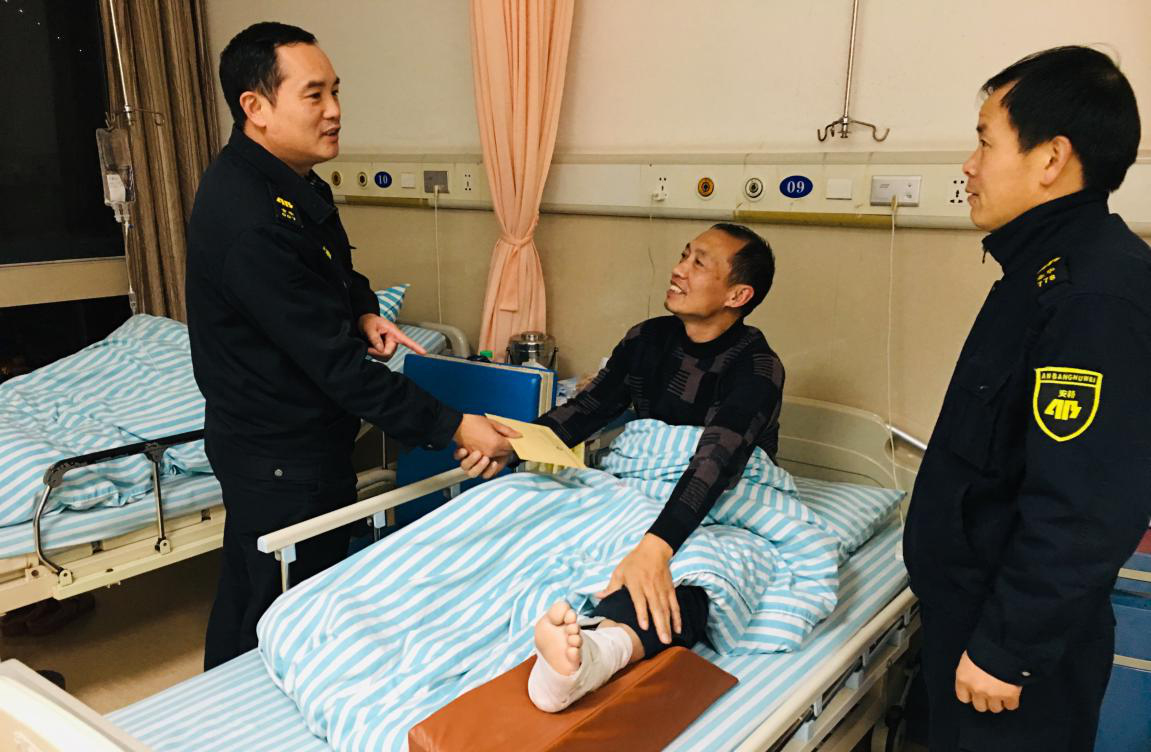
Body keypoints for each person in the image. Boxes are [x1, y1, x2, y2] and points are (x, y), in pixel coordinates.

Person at [186, 22, 516, 670]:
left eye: (335, 91)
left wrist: (363, 310)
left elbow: (333, 271)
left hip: (299, 437)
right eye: (314, 95)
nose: (334, 110)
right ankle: (231, 712)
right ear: (255, 106)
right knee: (272, 606)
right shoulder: (249, 218)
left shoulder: (295, 183)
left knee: (271, 589)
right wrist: (455, 426)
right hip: (277, 452)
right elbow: (337, 369)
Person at [902, 46, 1151, 752]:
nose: (969, 165)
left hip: (1008, 658)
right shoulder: (1039, 274)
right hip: (973, 622)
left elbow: (1086, 503)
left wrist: (1006, 647)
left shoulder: (1094, 295)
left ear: (1050, 159)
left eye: (985, 141)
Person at [462, 223, 783, 711]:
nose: (678, 269)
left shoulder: (757, 367)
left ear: (738, 294)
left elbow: (718, 461)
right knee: (513, 501)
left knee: (699, 570)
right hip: (633, 487)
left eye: (698, 263)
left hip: (722, 505)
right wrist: (514, 444)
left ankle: (597, 652)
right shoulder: (648, 339)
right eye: (683, 255)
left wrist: (656, 547)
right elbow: (588, 410)